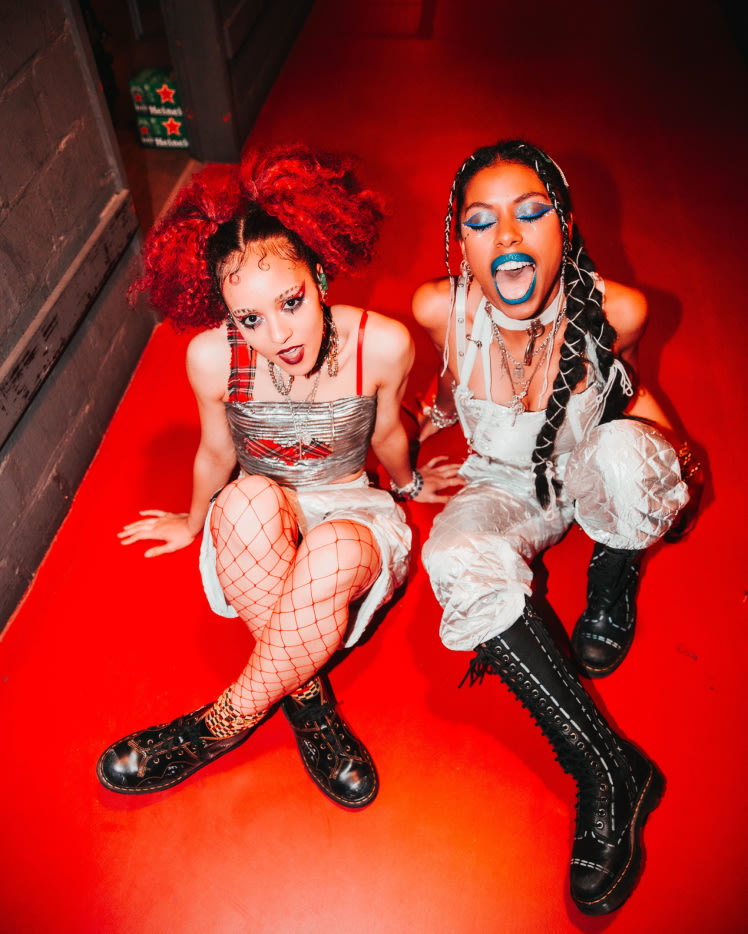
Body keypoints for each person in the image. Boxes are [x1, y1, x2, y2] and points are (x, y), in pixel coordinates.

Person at [96, 144, 459, 807]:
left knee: (331, 550)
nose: (278, 334)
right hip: (257, 532)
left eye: (290, 301)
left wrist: (407, 487)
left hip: (351, 514)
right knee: (247, 501)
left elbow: (386, 434)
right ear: (228, 318)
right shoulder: (212, 361)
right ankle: (309, 704)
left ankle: (219, 724)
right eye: (250, 319)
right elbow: (214, 453)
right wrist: (193, 518)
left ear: (319, 275)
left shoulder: (382, 344)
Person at [413, 139, 700, 914]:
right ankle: (608, 768)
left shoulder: (618, 308)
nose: (507, 236)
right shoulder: (439, 309)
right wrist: (418, 435)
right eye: (482, 221)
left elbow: (623, 384)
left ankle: (615, 562)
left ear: (564, 227)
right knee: (456, 556)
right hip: (505, 484)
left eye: (530, 212)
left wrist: (663, 469)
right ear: (459, 241)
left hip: (585, 462)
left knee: (626, 456)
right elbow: (440, 381)